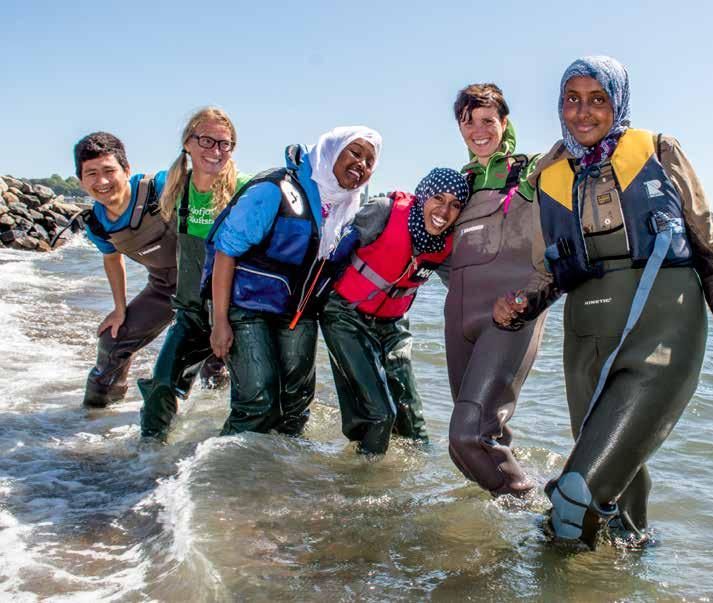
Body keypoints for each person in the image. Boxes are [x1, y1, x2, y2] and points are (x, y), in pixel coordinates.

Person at [493, 56, 713, 549]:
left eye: (597, 99)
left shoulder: (660, 151)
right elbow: (551, 270)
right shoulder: (550, 172)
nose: (583, 112)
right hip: (586, 339)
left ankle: (553, 580)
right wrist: (520, 303)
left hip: (663, 326)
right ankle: (630, 571)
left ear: (616, 102)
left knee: (575, 495)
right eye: (572, 100)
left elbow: (708, 245)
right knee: (619, 485)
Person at [203, 126, 382, 436]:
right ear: (330, 150)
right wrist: (220, 321)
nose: (361, 165)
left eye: (369, 161)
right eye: (355, 152)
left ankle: (279, 480)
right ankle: (217, 475)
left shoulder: (348, 211)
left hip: (297, 313)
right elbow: (225, 252)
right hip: (244, 306)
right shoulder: (274, 189)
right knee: (258, 402)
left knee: (295, 407)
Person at [320, 168, 470, 454]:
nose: (444, 211)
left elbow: (464, 291)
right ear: (423, 195)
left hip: (393, 325)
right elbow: (330, 251)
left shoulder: (447, 245)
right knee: (379, 415)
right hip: (345, 316)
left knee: (414, 428)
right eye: (437, 198)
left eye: (455, 205)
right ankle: (359, 485)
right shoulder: (384, 211)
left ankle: (416, 490)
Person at [444, 83, 545, 497]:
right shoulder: (458, 182)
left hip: (510, 314)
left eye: (488, 121)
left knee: (469, 436)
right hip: (458, 318)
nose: (478, 131)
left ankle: (526, 507)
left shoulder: (533, 169)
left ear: (505, 123)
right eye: (468, 123)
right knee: (468, 445)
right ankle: (499, 542)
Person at [138, 107, 249, 441]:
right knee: (161, 384)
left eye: (224, 144)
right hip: (190, 311)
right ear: (188, 142)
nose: (215, 150)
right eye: (206, 140)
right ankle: (147, 464)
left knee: (252, 401)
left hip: (236, 313)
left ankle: (224, 469)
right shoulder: (173, 186)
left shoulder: (243, 189)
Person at [75, 132, 175, 407]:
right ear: (81, 181)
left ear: (127, 170)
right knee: (112, 340)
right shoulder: (96, 225)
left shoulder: (161, 187)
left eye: (109, 170)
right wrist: (120, 309)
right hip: (164, 288)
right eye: (91, 173)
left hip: (209, 285)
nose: (102, 181)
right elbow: (112, 259)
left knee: (213, 357)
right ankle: (93, 420)